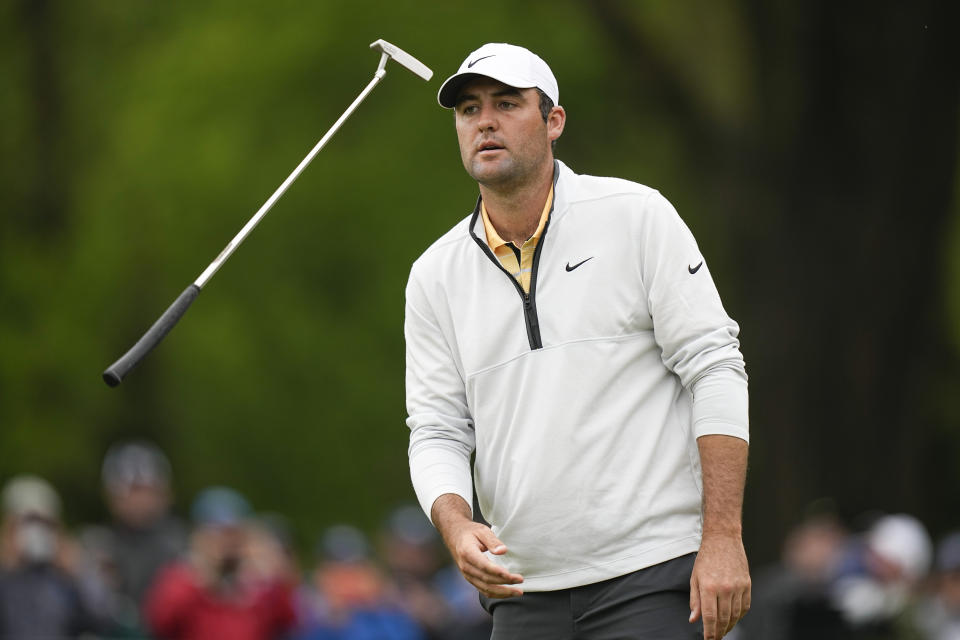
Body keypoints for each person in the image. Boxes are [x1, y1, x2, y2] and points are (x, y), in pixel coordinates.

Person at [404, 43, 751, 640]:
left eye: (507, 103)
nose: (483, 120)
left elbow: (715, 367)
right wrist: (456, 525)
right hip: (522, 589)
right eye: (468, 109)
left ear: (554, 120)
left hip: (651, 575)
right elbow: (436, 427)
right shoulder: (435, 274)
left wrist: (723, 538)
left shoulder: (635, 216)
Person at [144, 486, 295, 640]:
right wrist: (202, 578)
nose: (226, 543)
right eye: (218, 534)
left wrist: (267, 573)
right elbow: (160, 621)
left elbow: (289, 620)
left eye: (233, 534)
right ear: (199, 536)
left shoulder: (256, 583)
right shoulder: (181, 578)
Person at [0, 474, 97, 638]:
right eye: (27, 522)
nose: (35, 532)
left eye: (44, 523)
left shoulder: (66, 572)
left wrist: (78, 572)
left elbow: (102, 618)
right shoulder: (5, 572)